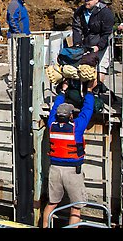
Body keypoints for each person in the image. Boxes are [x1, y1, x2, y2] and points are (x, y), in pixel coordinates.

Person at [42, 78, 97, 228]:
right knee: (76, 207)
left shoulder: (51, 125)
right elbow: (87, 111)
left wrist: (62, 91)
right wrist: (90, 92)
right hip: (72, 172)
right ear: (71, 116)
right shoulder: (76, 127)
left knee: (52, 203)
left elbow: (54, 109)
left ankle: (45, 226)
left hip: (54, 169)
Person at [71, 0, 114, 87]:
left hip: (101, 45)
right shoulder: (80, 11)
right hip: (86, 44)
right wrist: (77, 43)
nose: (86, 2)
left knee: (100, 69)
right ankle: (86, 94)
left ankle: (96, 93)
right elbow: (77, 28)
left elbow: (107, 33)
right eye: (85, 0)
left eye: (89, 0)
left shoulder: (106, 13)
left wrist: (99, 46)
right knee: (86, 71)